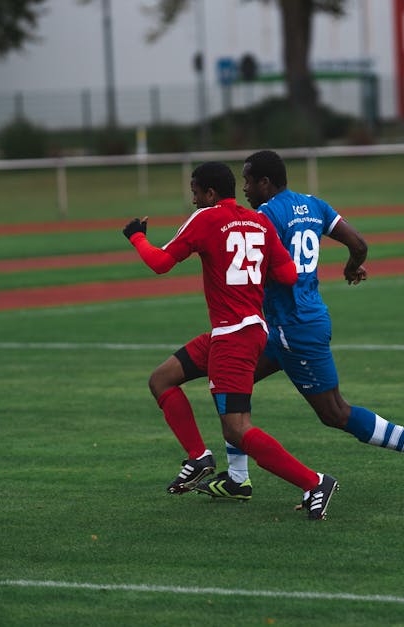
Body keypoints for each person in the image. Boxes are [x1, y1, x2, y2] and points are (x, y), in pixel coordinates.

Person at [193, 149, 404, 502]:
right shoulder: (314, 204)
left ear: (265, 183)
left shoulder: (265, 216)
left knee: (334, 412)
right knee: (232, 385)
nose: (245, 190)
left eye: (249, 182)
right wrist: (351, 266)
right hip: (287, 324)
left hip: (293, 327)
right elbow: (359, 244)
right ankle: (238, 478)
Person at [123, 161, 338, 521]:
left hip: (232, 338)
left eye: (194, 193)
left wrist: (136, 236)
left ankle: (314, 482)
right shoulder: (260, 222)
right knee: (161, 379)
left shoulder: (206, 218)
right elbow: (287, 274)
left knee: (237, 430)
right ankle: (198, 457)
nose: (193, 201)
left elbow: (160, 263)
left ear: (209, 193)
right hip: (246, 330)